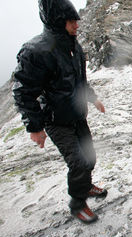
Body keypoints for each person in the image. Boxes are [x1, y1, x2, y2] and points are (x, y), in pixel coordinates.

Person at [13, 0, 107, 224]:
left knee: (90, 157)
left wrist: (93, 98)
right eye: (71, 20)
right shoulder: (36, 51)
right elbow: (22, 92)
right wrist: (34, 127)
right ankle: (77, 204)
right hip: (56, 120)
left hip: (77, 115)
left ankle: (85, 186)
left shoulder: (74, 48)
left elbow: (79, 81)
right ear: (58, 21)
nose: (77, 25)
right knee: (79, 163)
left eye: (76, 20)